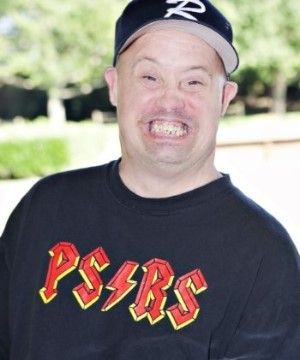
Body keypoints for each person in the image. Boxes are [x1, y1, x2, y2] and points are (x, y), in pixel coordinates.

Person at [0, 0, 299, 359]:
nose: (170, 101)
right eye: (149, 77)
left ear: (224, 97)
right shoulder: (43, 210)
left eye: (193, 81)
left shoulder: (265, 257)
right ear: (114, 86)